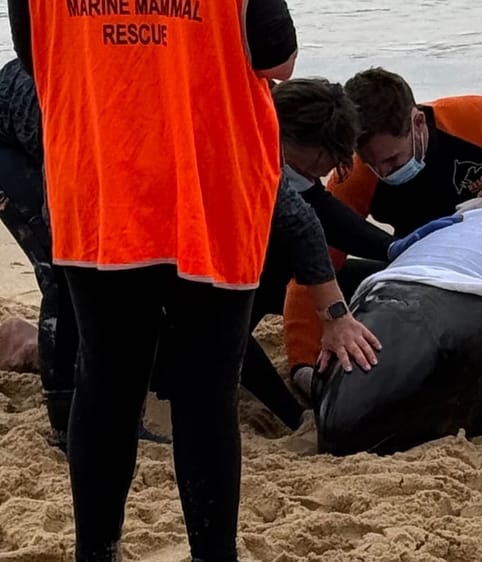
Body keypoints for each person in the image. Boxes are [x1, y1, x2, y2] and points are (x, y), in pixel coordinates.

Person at [10, 0, 299, 560]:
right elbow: (277, 59)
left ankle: (97, 551)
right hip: (208, 180)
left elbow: (34, 55)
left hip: (99, 174)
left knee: (106, 380)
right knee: (207, 391)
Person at [152, 78, 458, 431]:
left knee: (296, 268)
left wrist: (391, 248)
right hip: (164, 326)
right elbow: (219, 322)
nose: (335, 169)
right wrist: (294, 414)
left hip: (207, 306)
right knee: (235, 302)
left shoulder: (267, 145)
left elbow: (317, 207)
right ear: (314, 152)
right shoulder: (232, 173)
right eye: (334, 157)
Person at [282, 67, 482, 386]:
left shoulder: (479, 119)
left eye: (392, 161)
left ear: (417, 122)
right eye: (371, 163)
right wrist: (302, 366)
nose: (382, 171)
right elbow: (314, 268)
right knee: (321, 275)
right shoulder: (355, 176)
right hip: (433, 279)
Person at [0, 57, 167, 451]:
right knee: (61, 271)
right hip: (15, 144)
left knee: (122, 273)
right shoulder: (70, 114)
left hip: (74, 129)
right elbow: (59, 205)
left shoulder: (149, 107)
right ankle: (64, 419)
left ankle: (120, 410)